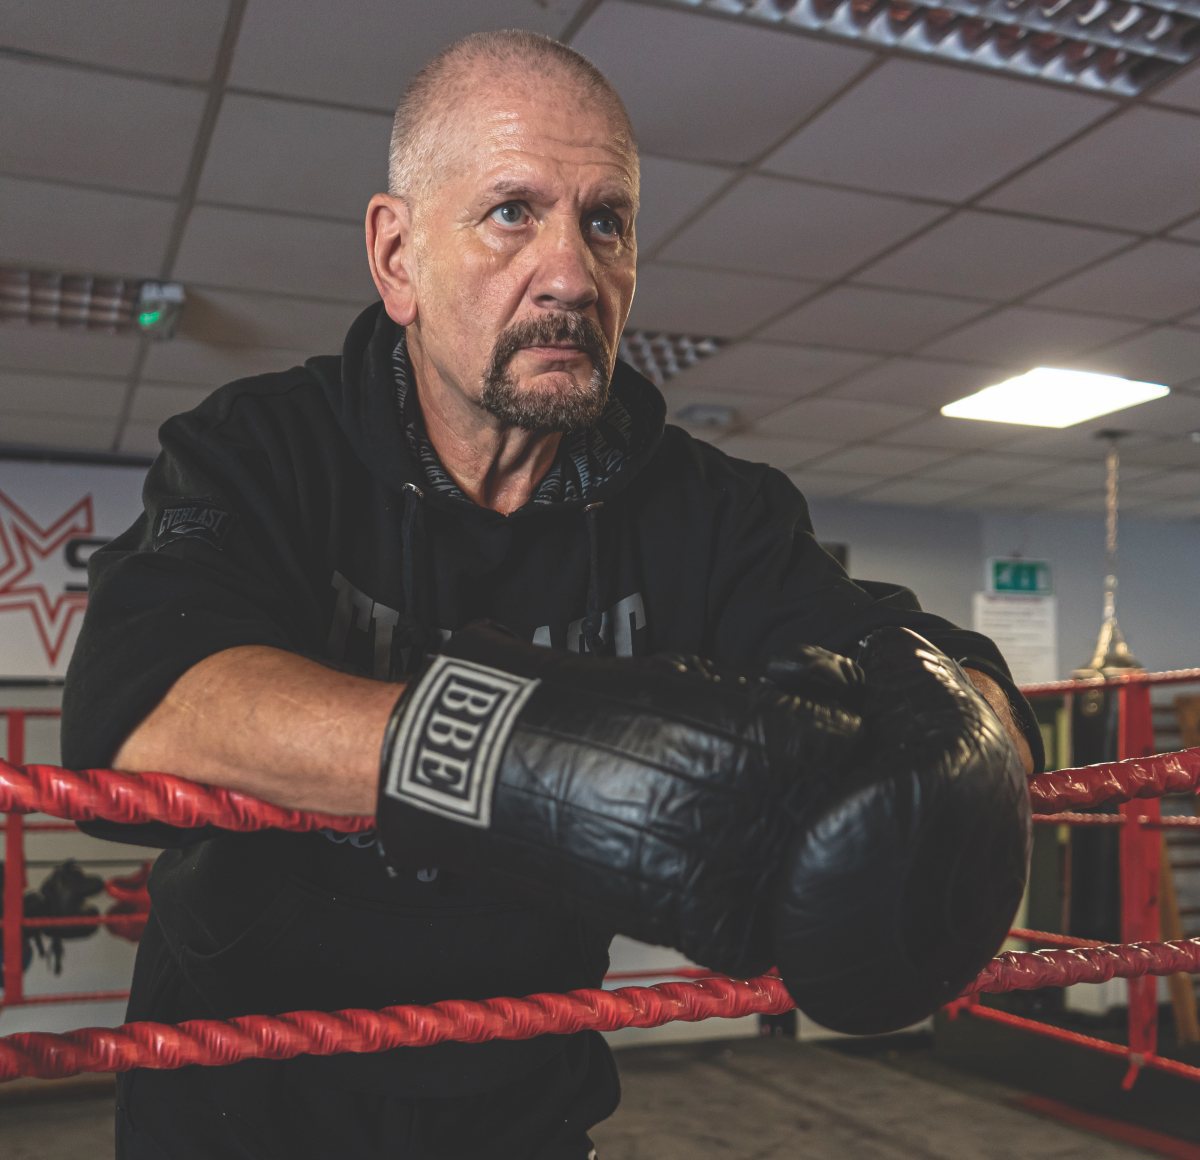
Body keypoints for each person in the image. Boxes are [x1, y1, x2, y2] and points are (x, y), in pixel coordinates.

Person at [61, 30, 1040, 1160]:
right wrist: (520, 751)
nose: (571, 273)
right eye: (512, 211)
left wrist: (960, 734)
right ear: (396, 256)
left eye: (605, 221)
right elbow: (136, 710)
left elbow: (918, 654)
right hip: (240, 1097)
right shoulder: (262, 448)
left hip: (521, 1093)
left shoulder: (711, 512)